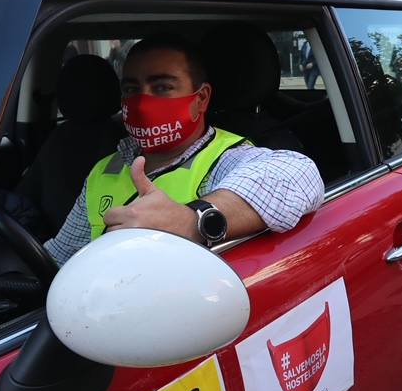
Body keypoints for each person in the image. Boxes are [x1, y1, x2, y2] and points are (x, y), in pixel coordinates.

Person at [45, 35, 324, 266]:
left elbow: (299, 174)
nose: (143, 101)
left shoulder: (225, 159)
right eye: (132, 89)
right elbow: (61, 257)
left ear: (201, 98)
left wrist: (194, 220)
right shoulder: (105, 169)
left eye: (162, 86)